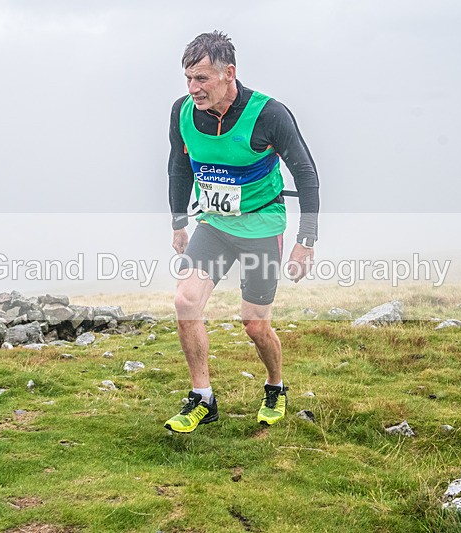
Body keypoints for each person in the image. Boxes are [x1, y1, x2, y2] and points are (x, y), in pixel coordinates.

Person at [164, 31, 320, 433]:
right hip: (214, 225)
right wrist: (179, 222)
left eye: (202, 79)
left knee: (254, 324)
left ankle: (275, 386)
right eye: (188, 79)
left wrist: (306, 241)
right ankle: (203, 398)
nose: (192, 88)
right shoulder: (182, 112)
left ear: (228, 73)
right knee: (186, 302)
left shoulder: (269, 114)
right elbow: (179, 167)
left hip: (261, 228)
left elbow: (305, 173)